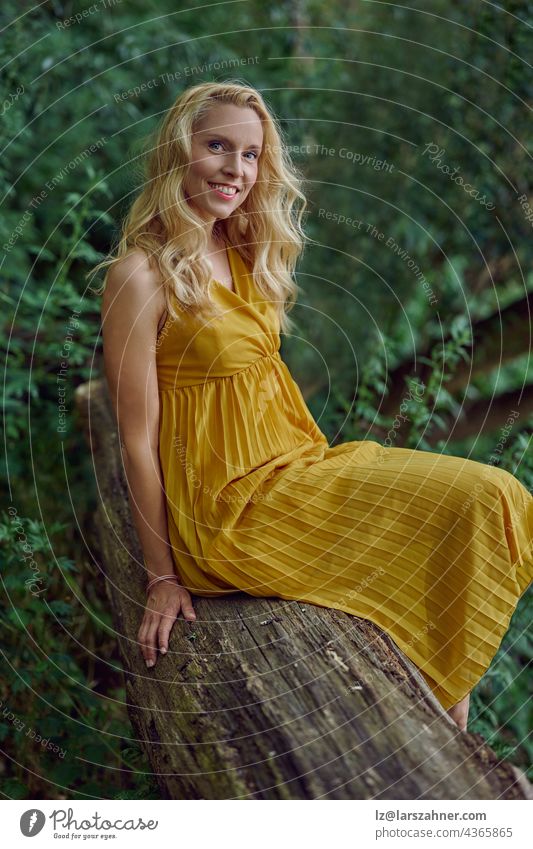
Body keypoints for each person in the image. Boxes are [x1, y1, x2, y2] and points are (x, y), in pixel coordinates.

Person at [94, 79, 533, 734]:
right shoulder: (139, 275)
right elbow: (138, 436)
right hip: (227, 510)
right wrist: (161, 575)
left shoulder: (239, 250)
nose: (235, 170)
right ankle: (441, 738)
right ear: (178, 151)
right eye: (217, 146)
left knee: (486, 500)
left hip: (292, 469)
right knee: (478, 494)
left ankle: (443, 736)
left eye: (249, 155)